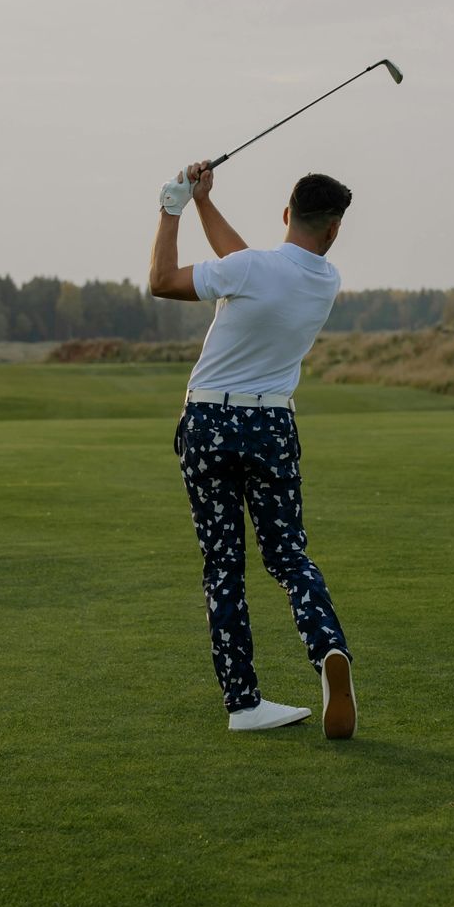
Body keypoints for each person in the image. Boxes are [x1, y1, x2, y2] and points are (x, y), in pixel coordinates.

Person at [149, 160, 358, 737]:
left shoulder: (250, 269)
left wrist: (173, 209)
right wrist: (205, 203)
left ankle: (243, 703)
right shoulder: (324, 280)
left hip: (209, 421)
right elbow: (249, 265)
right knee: (289, 557)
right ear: (333, 229)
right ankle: (327, 650)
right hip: (270, 426)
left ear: (287, 214)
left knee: (224, 566)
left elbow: (163, 281)